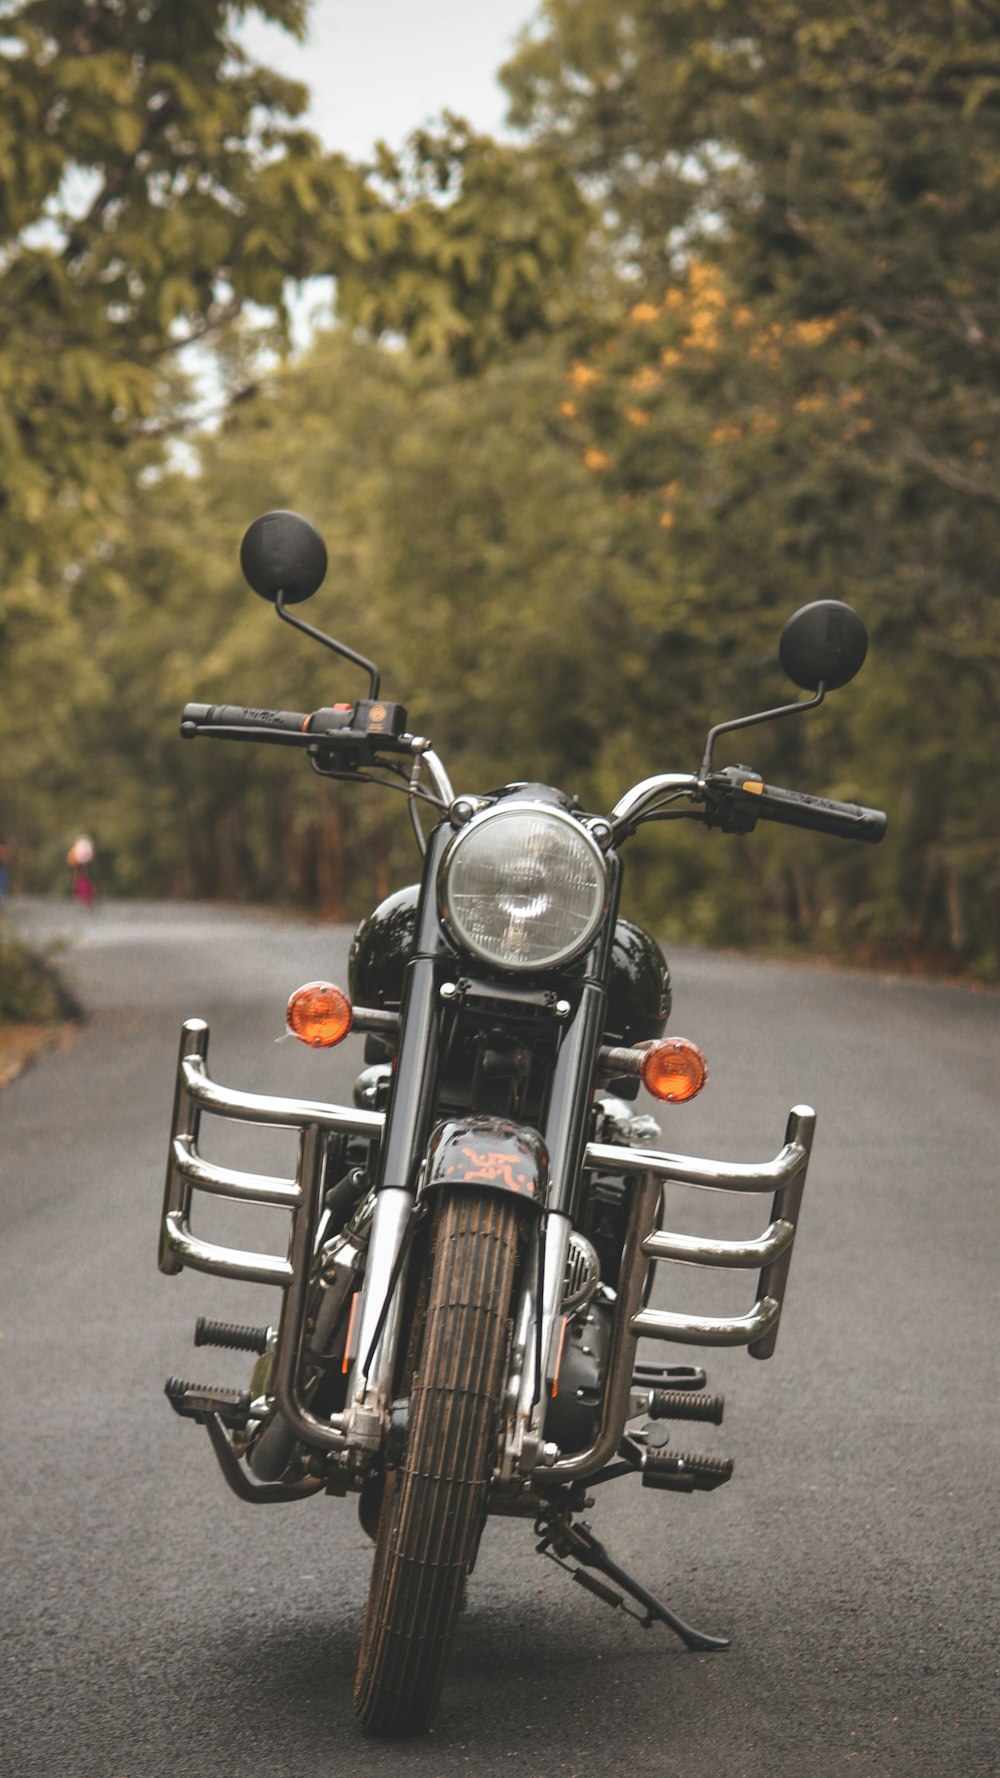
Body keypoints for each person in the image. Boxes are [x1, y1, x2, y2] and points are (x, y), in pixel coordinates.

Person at [67, 834, 96, 907]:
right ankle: (82, 899)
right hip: (81, 877)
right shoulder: (74, 855)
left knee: (81, 881)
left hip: (82, 877)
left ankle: (84, 900)